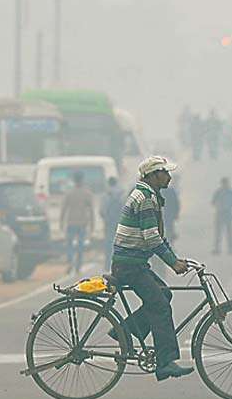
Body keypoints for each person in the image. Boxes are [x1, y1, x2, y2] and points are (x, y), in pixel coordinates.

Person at [110, 155, 194, 381]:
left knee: (164, 294)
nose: (169, 177)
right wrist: (172, 262)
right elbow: (151, 238)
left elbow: (157, 236)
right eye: (165, 173)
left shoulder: (149, 195)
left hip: (134, 263)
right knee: (160, 306)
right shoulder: (145, 198)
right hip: (130, 265)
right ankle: (165, 362)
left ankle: (126, 330)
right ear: (153, 176)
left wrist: (176, 258)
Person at [60, 171, 94, 274]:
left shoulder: (69, 193)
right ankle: (78, 266)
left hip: (71, 222)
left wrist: (61, 222)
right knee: (80, 245)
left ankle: (70, 261)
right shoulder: (87, 193)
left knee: (69, 244)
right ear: (82, 180)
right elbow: (91, 210)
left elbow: (64, 209)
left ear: (74, 180)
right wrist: (93, 224)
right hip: (83, 222)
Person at [100, 176, 126, 270]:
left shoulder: (105, 194)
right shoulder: (122, 193)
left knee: (108, 242)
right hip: (119, 221)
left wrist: (105, 217)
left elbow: (102, 210)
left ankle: (107, 264)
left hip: (108, 222)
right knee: (120, 242)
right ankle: (119, 263)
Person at [211, 177, 232, 255]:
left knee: (226, 232)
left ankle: (229, 248)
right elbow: (213, 201)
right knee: (220, 232)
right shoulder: (226, 192)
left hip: (224, 214)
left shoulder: (224, 192)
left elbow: (213, 202)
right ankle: (220, 248)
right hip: (223, 213)